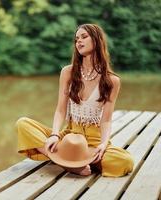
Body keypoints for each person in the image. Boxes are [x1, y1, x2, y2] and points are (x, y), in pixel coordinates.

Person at [15, 24, 134, 177]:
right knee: (23, 124)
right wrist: (55, 134)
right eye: (76, 39)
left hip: (93, 140)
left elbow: (106, 119)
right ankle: (71, 164)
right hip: (69, 136)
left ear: (97, 41)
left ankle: (69, 158)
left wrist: (103, 144)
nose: (78, 41)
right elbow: (60, 110)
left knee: (125, 161)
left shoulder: (112, 80)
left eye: (84, 37)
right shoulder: (68, 72)